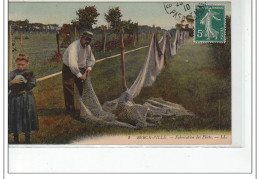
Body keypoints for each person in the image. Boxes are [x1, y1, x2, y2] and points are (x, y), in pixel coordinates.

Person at [62, 30, 96, 116]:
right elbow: (73, 64)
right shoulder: (74, 47)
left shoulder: (88, 47)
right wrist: (79, 75)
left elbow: (91, 59)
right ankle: (70, 111)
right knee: (69, 88)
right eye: (86, 39)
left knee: (84, 88)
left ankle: (86, 109)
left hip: (81, 68)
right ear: (81, 37)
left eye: (89, 40)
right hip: (69, 68)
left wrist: (89, 68)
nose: (87, 41)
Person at [8, 54, 39, 144]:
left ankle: (27, 138)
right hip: (14, 99)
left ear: (27, 64)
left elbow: (32, 84)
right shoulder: (12, 73)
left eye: (23, 65)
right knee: (15, 116)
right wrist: (11, 82)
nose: (21, 67)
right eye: (19, 65)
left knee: (27, 116)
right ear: (16, 64)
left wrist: (23, 83)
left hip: (26, 98)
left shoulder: (30, 73)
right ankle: (15, 138)